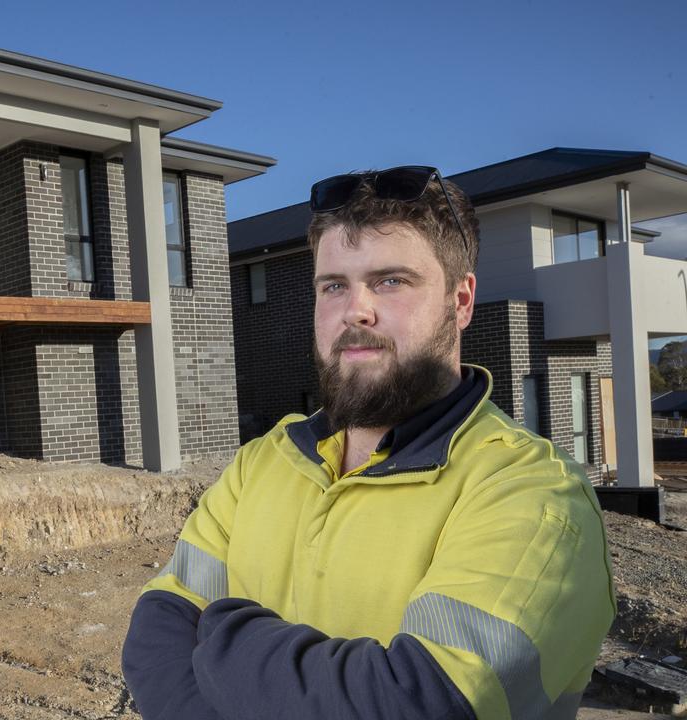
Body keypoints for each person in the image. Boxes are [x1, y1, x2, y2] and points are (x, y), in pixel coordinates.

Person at [121, 166, 615, 720]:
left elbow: (419, 704)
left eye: (391, 281)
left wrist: (221, 635)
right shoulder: (263, 462)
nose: (355, 309)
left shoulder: (532, 494)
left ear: (462, 299)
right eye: (334, 285)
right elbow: (157, 634)